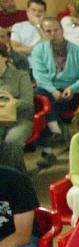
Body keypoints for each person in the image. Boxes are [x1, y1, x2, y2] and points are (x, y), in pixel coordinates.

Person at [31, 16, 79, 160]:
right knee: (40, 95)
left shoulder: (78, 51)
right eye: (48, 31)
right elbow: (39, 77)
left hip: (71, 93)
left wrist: (73, 88)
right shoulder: (38, 50)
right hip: (48, 90)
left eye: (56, 30)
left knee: (44, 104)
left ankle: (49, 147)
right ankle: (55, 130)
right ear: (43, 32)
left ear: (62, 30)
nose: (53, 34)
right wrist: (53, 90)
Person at [0, 43, 34, 171]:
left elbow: (27, 102)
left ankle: (9, 179)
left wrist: (8, 104)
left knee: (12, 142)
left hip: (20, 120)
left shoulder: (21, 76)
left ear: (4, 58)